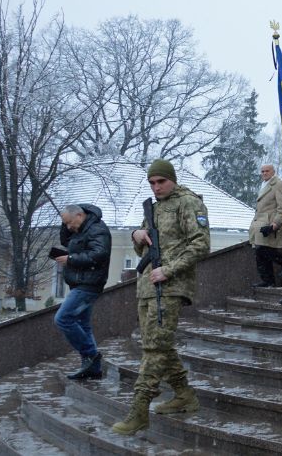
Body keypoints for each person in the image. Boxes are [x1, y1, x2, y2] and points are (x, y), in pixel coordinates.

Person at [111, 159, 211, 435]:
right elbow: (144, 244)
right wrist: (136, 234)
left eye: (161, 182)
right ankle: (184, 394)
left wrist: (169, 270)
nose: (156, 187)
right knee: (158, 346)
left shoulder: (188, 203)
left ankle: (139, 409)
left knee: (155, 349)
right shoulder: (154, 208)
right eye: (152, 183)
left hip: (171, 286)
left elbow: (201, 244)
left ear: (172, 180)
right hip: (146, 286)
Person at [54, 203, 111, 381]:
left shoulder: (97, 229)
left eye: (70, 223)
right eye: (66, 224)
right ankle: (93, 369)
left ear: (80, 215)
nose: (69, 227)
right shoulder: (81, 229)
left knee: (63, 318)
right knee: (83, 324)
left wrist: (70, 259)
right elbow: (66, 241)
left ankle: (91, 354)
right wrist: (65, 224)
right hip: (80, 282)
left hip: (89, 284)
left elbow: (99, 254)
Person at [248, 164, 282, 287]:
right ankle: (268, 281)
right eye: (262, 171)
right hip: (259, 223)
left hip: (269, 222)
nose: (264, 173)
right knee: (260, 253)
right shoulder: (263, 185)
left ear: (273, 172)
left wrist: (275, 224)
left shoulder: (278, 184)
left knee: (265, 250)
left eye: (267, 171)